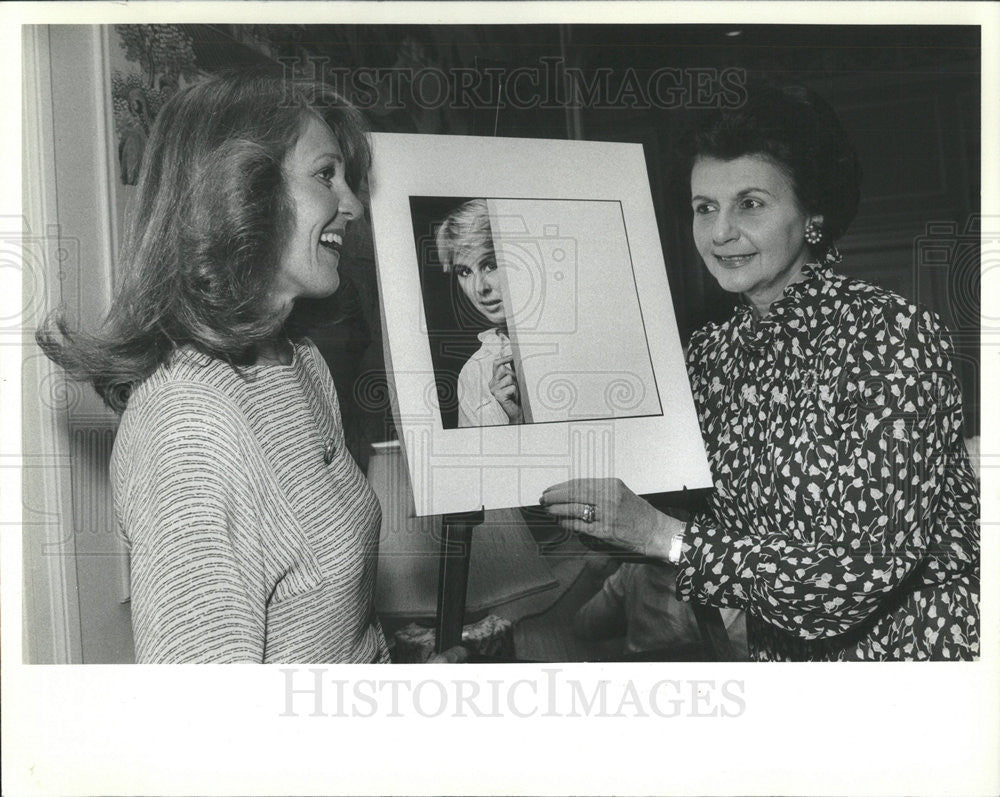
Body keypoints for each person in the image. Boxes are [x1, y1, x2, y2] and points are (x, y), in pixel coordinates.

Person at [38, 69, 465, 665]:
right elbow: (207, 733)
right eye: (326, 175)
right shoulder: (189, 425)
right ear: (244, 191)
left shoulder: (300, 364)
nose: (354, 206)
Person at [540, 82, 979, 661]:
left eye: (750, 203)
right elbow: (677, 510)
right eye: (704, 208)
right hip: (782, 668)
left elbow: (854, 576)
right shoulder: (708, 356)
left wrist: (656, 534)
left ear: (812, 212)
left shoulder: (895, 337)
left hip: (917, 665)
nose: (720, 232)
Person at [435, 199, 522, 427]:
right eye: (465, 271)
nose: (479, 288)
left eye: (490, 264)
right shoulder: (473, 374)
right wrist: (515, 420)